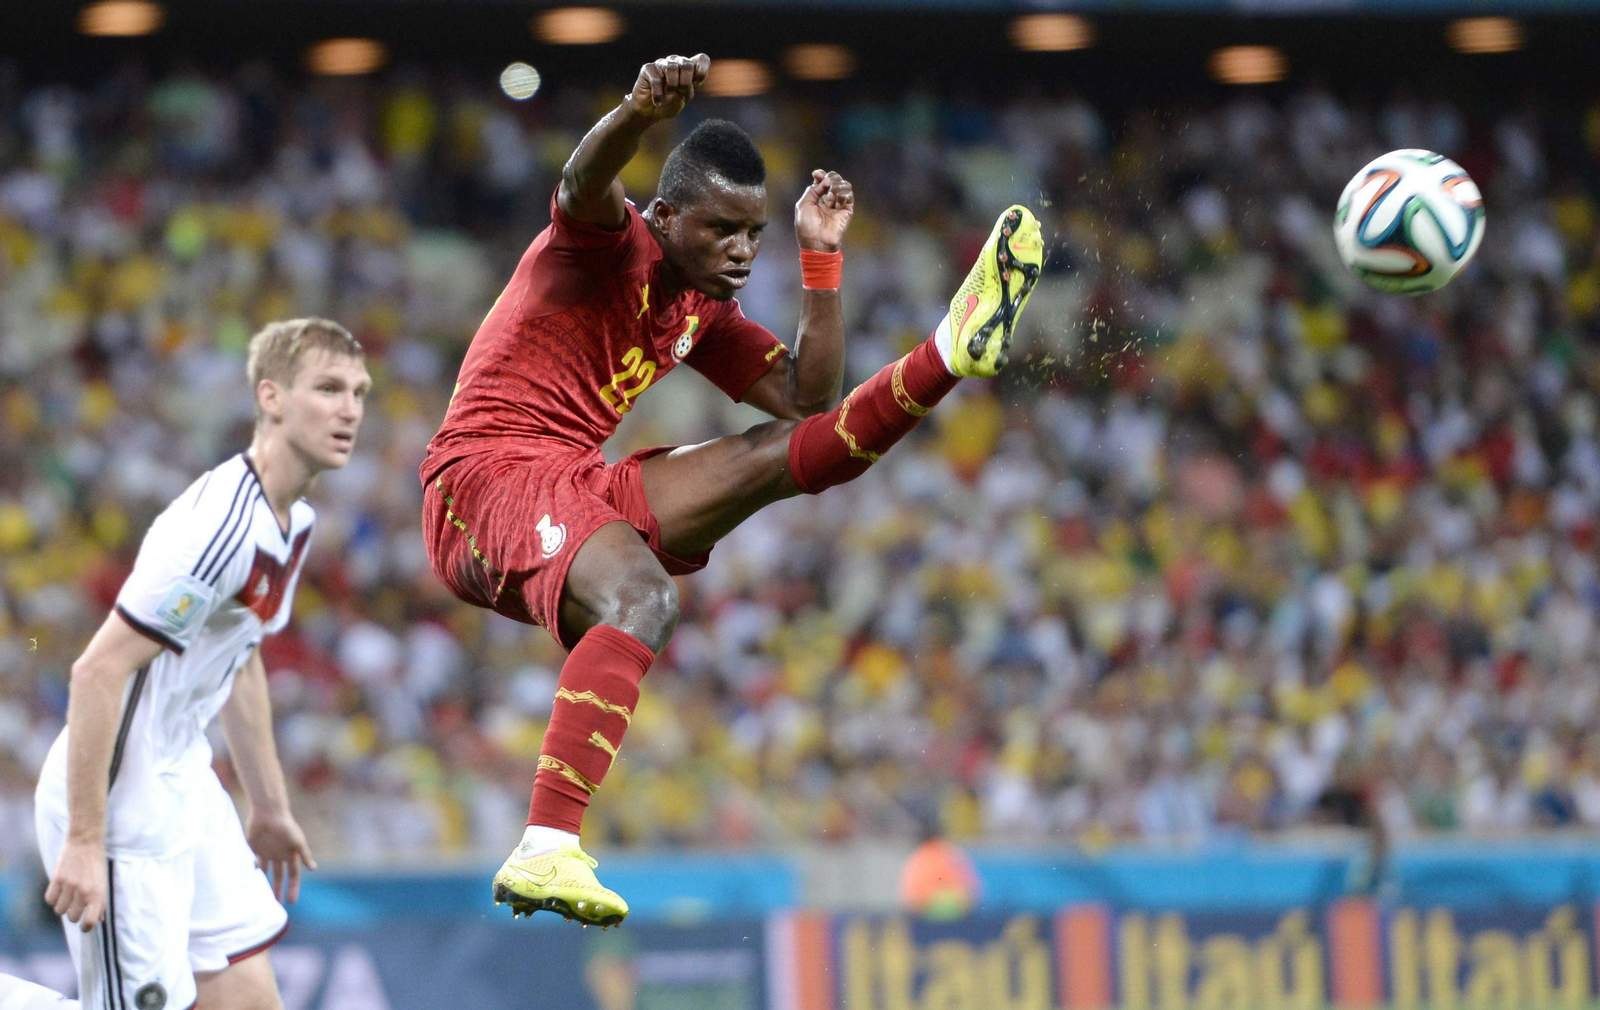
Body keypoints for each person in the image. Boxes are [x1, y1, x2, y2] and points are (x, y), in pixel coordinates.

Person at [419, 53, 1042, 927]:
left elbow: (807, 398)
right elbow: (581, 178)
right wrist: (638, 113)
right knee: (643, 596)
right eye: (724, 231)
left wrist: (820, 260)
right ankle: (546, 845)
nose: (744, 252)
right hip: (483, 477)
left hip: (570, 478)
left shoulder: (700, 307)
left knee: (786, 451)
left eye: (755, 235)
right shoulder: (608, 243)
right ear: (665, 216)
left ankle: (946, 354)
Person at [36, 319, 369, 1010]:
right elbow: (96, 672)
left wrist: (269, 805)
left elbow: (238, 660)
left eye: (360, 393)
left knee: (251, 1000)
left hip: (184, 776)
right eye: (329, 389)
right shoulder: (220, 527)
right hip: (117, 795)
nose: (350, 410)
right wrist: (84, 838)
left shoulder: (294, 521)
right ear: (271, 398)